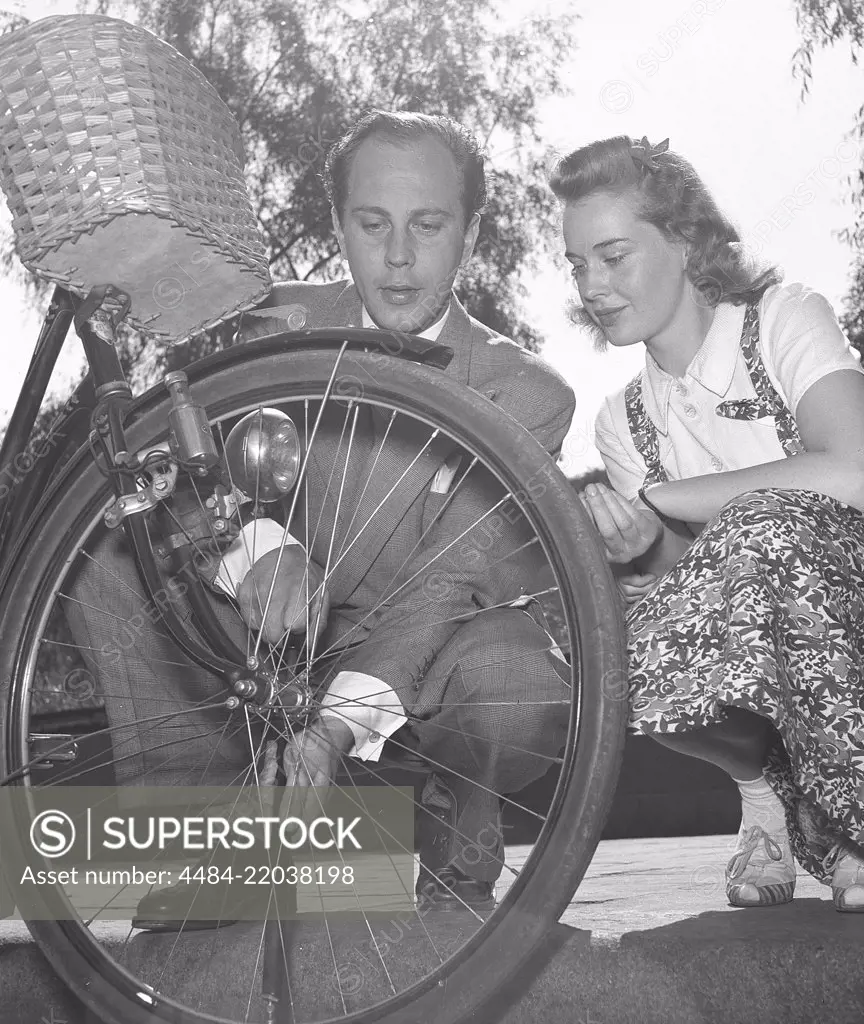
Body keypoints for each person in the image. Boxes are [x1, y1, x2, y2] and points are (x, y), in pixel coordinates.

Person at [64, 110, 574, 927]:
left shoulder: (528, 394)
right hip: (269, 633)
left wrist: (331, 732)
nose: (399, 256)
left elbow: (446, 579)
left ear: (472, 233)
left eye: (429, 225)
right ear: (339, 224)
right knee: (107, 559)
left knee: (517, 687)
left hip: (432, 641)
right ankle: (209, 845)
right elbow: (171, 477)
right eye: (372, 224)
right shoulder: (267, 327)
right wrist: (255, 548)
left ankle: (450, 808)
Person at [550, 133, 864, 913]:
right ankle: (764, 798)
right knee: (599, 640)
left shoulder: (784, 318)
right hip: (774, 637)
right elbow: (695, 595)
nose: (592, 285)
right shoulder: (622, 420)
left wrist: (662, 502)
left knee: (772, 523)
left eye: (611, 256)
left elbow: (854, 477)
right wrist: (641, 552)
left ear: (683, 240)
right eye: (577, 264)